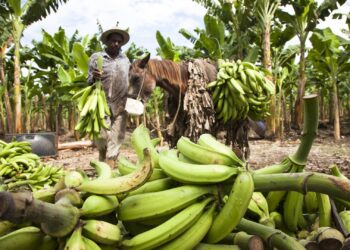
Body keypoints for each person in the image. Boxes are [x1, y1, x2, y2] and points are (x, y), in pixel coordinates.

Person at [87, 27, 130, 168]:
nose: (116, 44)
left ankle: (110, 165)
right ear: (107, 41)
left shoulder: (126, 60)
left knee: (117, 137)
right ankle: (102, 157)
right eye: (113, 41)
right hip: (101, 102)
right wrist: (94, 76)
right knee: (102, 137)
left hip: (121, 103)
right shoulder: (97, 58)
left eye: (119, 41)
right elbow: (88, 80)